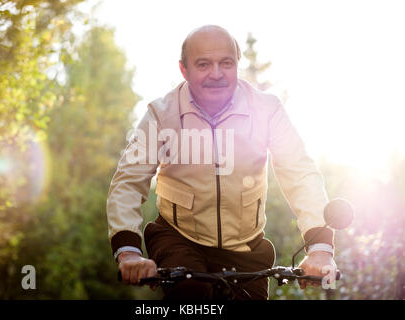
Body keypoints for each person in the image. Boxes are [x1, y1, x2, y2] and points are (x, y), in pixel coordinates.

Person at [106, 25, 336, 300]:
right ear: (184, 70)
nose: (216, 73)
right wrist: (128, 251)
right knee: (193, 296)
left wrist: (320, 248)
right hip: (178, 239)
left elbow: (299, 173)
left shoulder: (267, 109)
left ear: (237, 65)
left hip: (246, 248)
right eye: (203, 64)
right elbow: (129, 181)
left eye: (226, 63)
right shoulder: (160, 114)